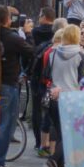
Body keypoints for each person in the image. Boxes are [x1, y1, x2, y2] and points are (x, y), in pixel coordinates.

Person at [0, 5, 34, 167]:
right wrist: (28, 33)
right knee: (5, 124)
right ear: (8, 19)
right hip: (7, 84)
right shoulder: (12, 37)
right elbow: (31, 51)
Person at [45, 25, 84, 167]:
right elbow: (82, 80)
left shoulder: (53, 53)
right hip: (71, 98)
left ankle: (61, 166)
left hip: (54, 96)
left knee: (60, 132)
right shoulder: (80, 54)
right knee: (69, 134)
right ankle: (53, 159)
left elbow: (48, 74)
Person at [29, 19, 68, 157]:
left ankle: (43, 145)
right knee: (53, 121)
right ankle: (52, 151)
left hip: (44, 86)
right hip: (54, 87)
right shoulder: (57, 52)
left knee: (47, 117)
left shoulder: (46, 48)